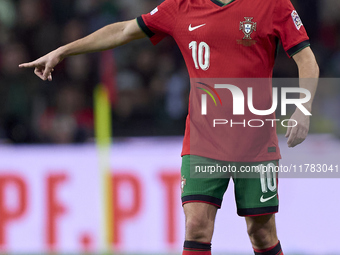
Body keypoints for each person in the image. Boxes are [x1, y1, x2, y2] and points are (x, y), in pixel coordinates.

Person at [19, 0, 319, 254]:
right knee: (197, 225)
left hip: (255, 141)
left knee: (261, 232)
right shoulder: (180, 7)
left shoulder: (273, 5)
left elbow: (307, 61)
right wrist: (63, 51)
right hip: (204, 142)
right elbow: (123, 30)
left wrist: (302, 109)